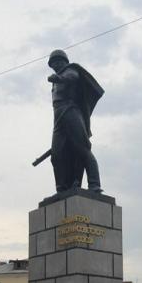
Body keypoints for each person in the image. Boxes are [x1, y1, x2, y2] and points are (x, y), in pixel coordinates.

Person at [48, 49, 104, 193]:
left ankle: (94, 184)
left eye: (59, 61)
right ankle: (62, 187)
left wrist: (59, 78)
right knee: (57, 154)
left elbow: (72, 77)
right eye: (54, 63)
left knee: (82, 148)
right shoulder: (55, 81)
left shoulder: (70, 70)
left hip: (70, 111)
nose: (56, 65)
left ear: (64, 61)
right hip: (58, 117)